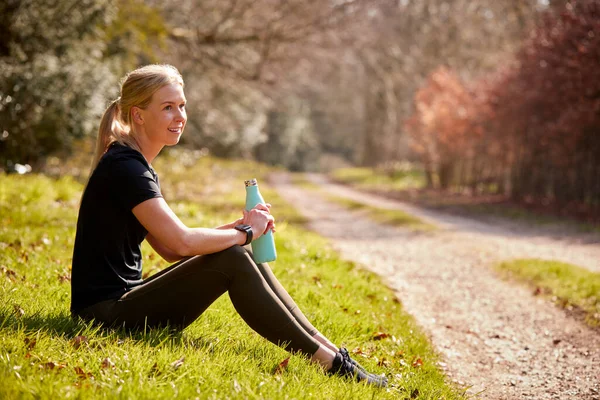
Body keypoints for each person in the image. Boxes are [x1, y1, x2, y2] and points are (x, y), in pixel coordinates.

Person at [70, 64, 387, 387]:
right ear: (138, 115)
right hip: (103, 316)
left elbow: (166, 249)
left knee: (238, 250)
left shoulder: (133, 164)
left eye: (182, 106)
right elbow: (181, 243)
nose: (180, 116)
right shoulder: (126, 168)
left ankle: (334, 354)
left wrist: (240, 227)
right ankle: (331, 364)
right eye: (167, 107)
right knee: (234, 255)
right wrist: (246, 232)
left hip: (118, 305)